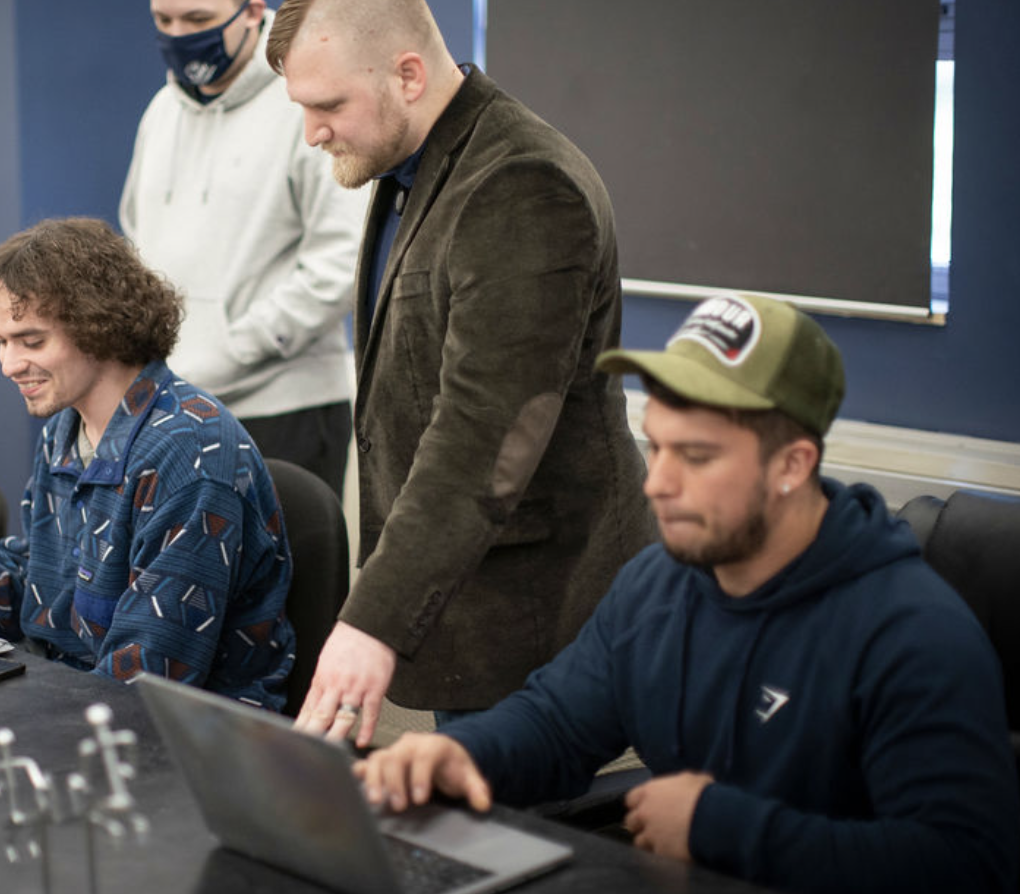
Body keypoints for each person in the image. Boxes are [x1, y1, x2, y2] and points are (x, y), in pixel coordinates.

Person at [357, 294, 1020, 893]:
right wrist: (461, 753)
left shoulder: (911, 636)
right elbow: (557, 724)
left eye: (697, 458)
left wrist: (718, 826)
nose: (657, 484)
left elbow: (962, 865)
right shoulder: (658, 586)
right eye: (657, 447)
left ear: (793, 464)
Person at [265, 0, 656, 743]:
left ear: (408, 74)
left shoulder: (522, 184)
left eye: (328, 105)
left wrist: (372, 618)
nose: (312, 133)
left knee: (539, 857)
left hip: (544, 619)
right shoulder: (409, 161)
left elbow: (488, 434)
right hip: (475, 604)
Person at [0, 218, 295, 710]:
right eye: (1, 341)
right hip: (78, 695)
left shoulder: (190, 454)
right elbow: (37, 574)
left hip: (187, 736)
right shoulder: (65, 427)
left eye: (31, 342)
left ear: (101, 327)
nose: (8, 365)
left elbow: (145, 678)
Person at [119, 0, 367, 498]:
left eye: (198, 21)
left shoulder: (307, 105)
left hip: (288, 409)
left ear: (254, 11)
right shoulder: (161, 113)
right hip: (174, 404)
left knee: (285, 588)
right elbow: (138, 245)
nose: (179, 36)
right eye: (164, 21)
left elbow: (341, 265)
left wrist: (226, 351)